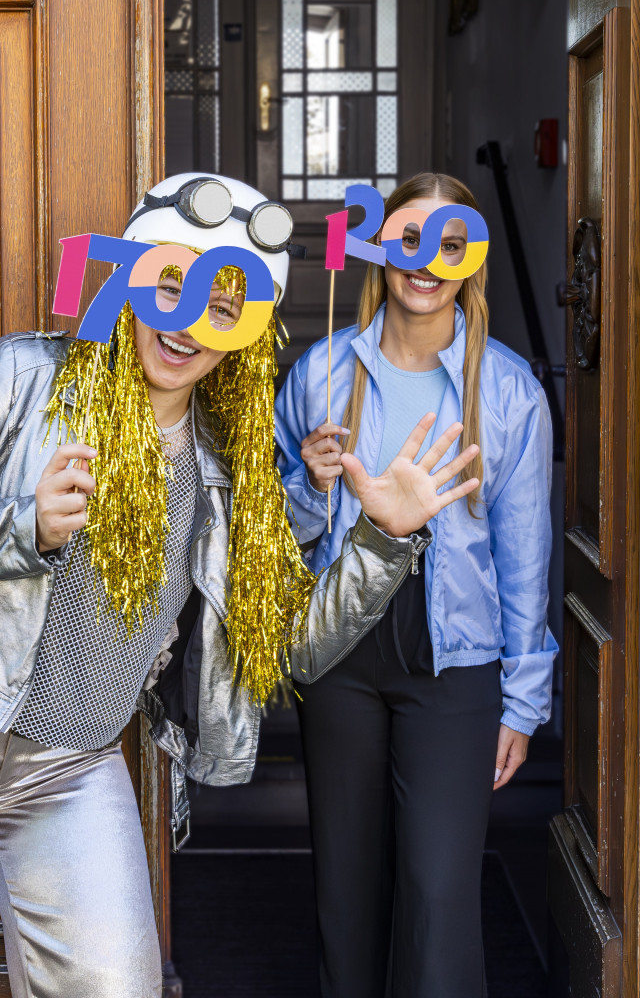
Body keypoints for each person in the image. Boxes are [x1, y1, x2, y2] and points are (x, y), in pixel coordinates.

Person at [0, 172, 478, 998]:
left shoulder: (231, 467)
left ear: (245, 331)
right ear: (131, 280)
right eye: (169, 286)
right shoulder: (33, 377)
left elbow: (284, 648)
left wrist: (382, 540)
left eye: (222, 307)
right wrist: (20, 528)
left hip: (69, 766)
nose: (186, 326)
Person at [275, 172, 558, 998]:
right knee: (348, 892)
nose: (425, 263)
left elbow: (524, 556)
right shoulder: (322, 374)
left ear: (471, 259)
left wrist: (521, 700)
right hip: (341, 654)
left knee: (437, 892)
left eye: (448, 244)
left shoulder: (506, 392)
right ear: (379, 248)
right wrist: (312, 486)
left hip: (457, 663)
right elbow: (279, 543)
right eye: (409, 240)